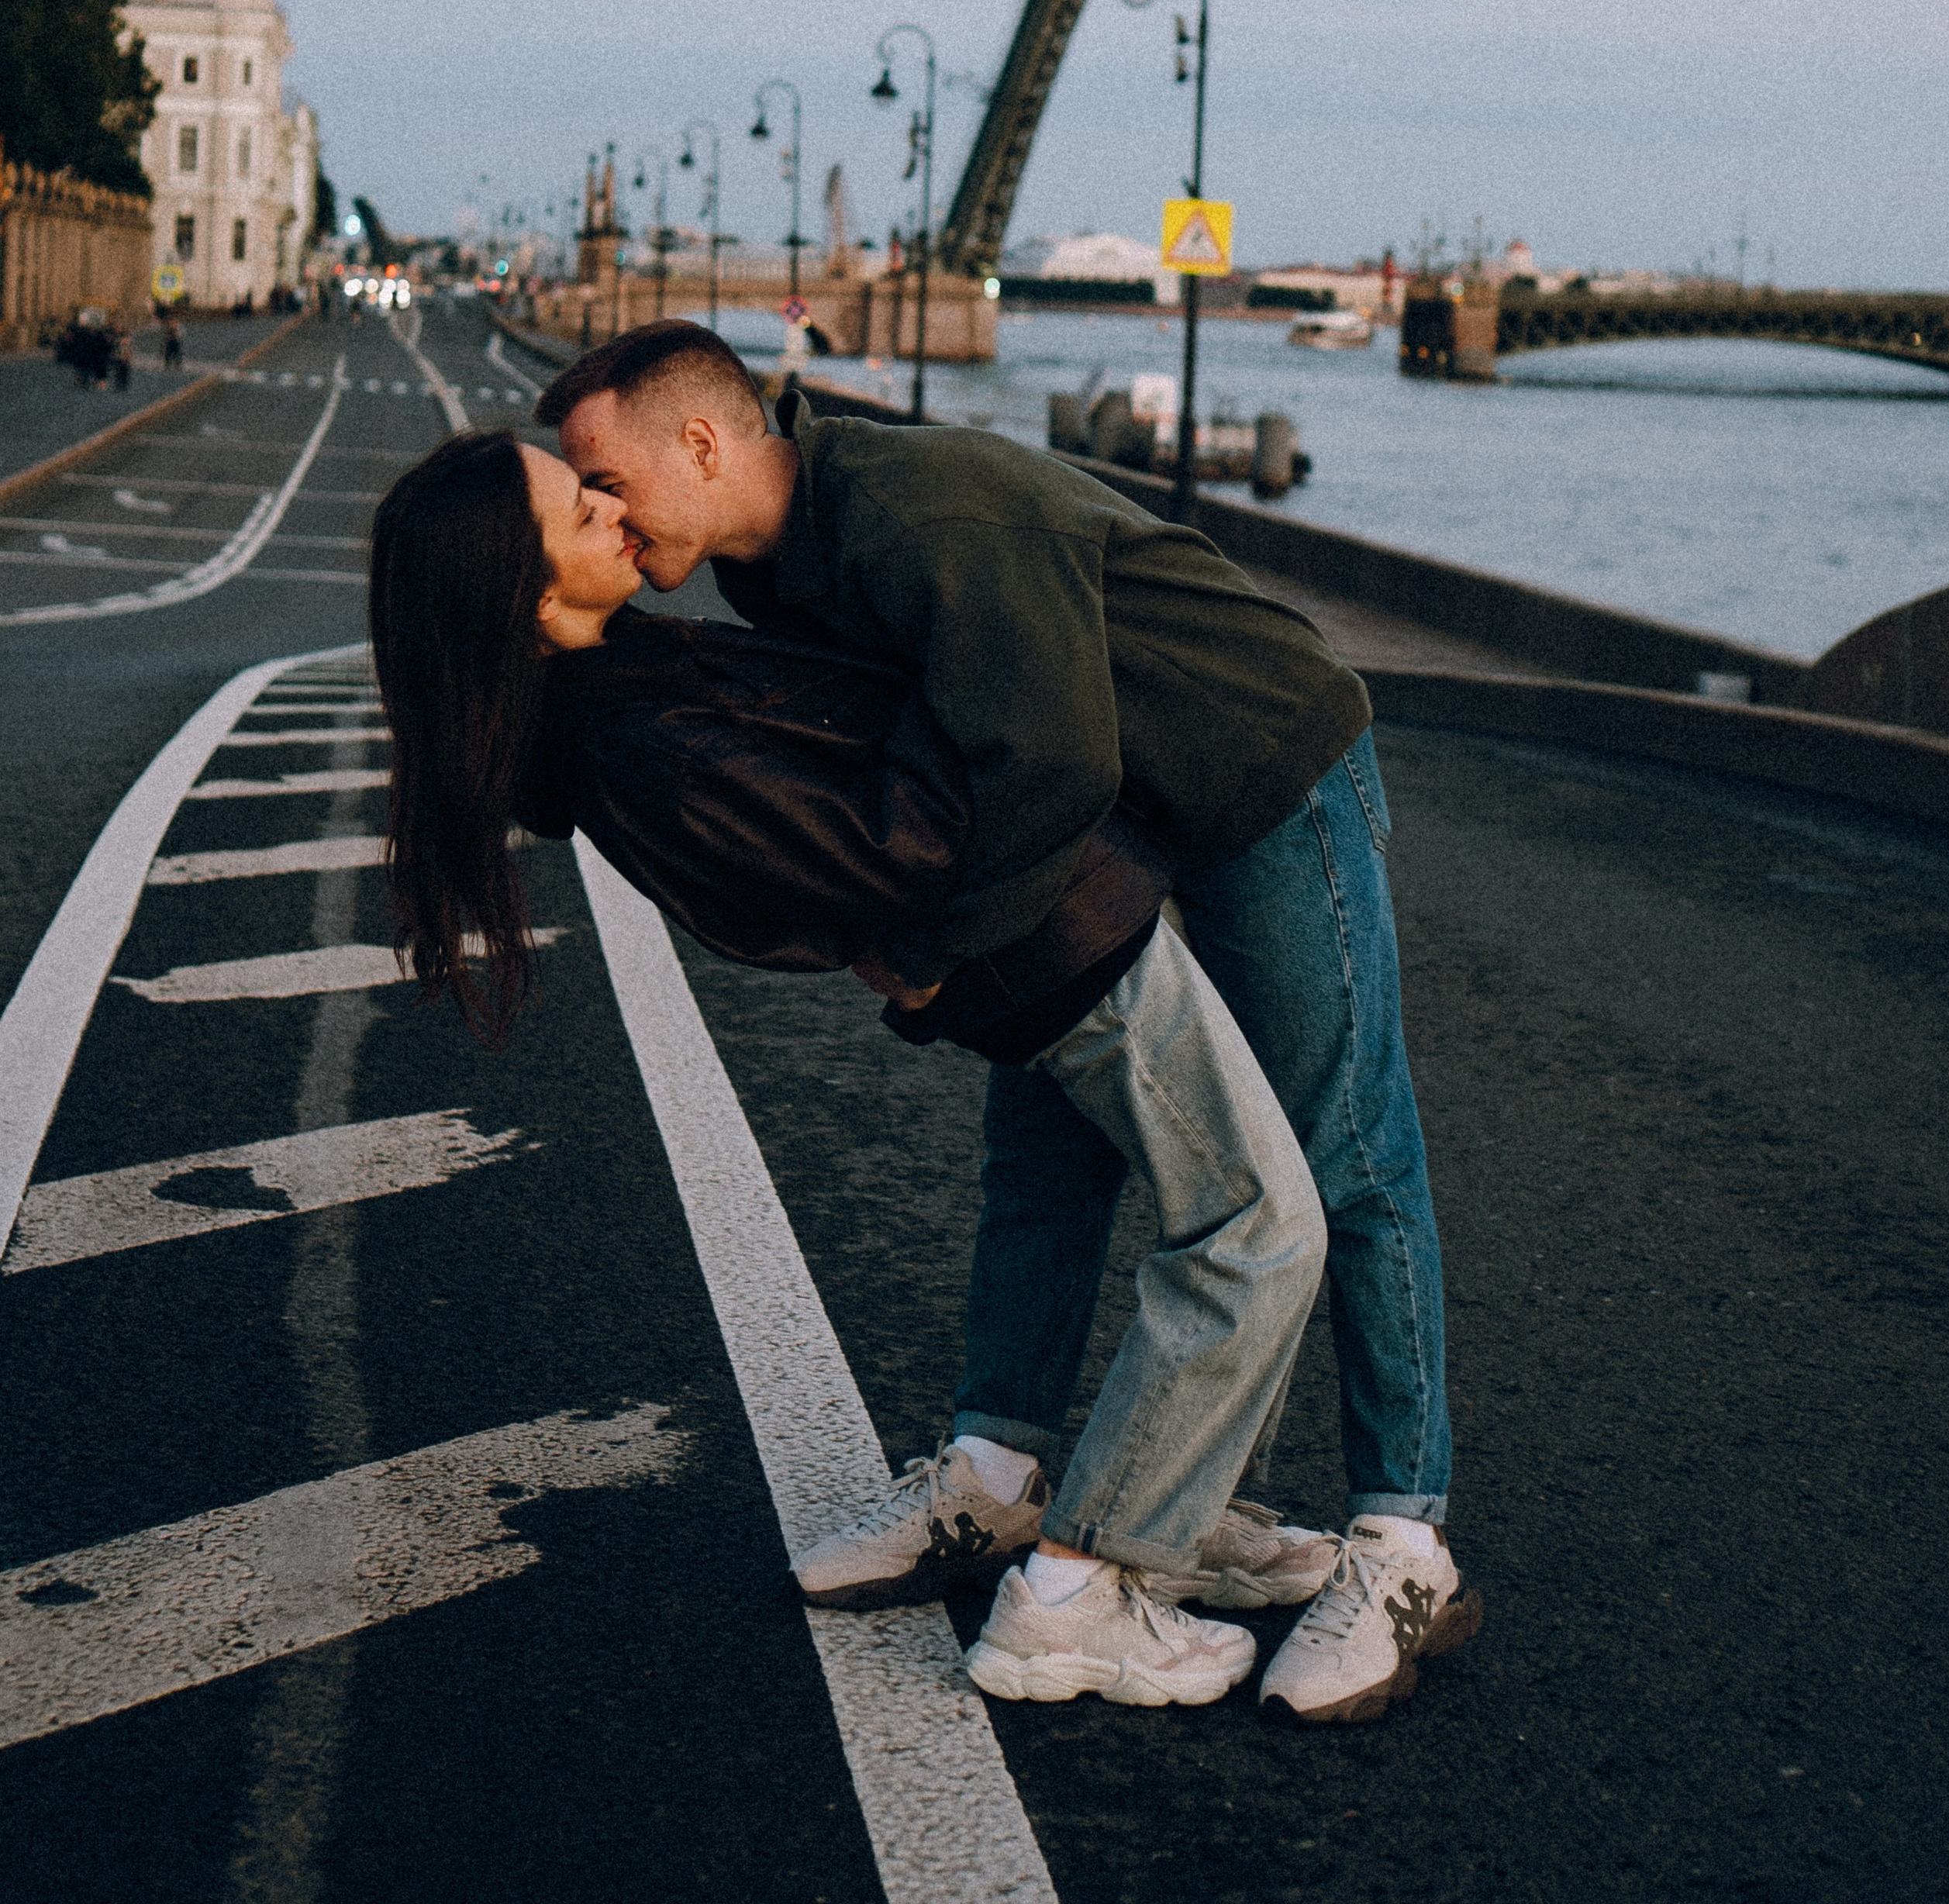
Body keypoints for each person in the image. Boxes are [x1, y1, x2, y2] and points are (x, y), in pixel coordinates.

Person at [542, 321, 1483, 1726]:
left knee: (1339, 1145)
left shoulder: (918, 514)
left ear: (701, 442)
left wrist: (922, 956)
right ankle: (1002, 1478)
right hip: (1105, 832)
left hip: (1255, 767)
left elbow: (1043, 762)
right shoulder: (774, 568)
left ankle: (1402, 1535)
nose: (603, 516)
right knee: (1041, 1166)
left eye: (605, 479)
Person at [368, 429, 1334, 1710]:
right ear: (537, 601)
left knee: (1166, 1214)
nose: (613, 508)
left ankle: (1168, 1503)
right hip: (1053, 944)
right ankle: (1079, 1589)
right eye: (579, 512)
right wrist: (986, 677)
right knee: (1255, 1232)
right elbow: (890, 850)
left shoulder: (625, 695)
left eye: (596, 480)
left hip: (1045, 935)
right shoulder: (637, 741)